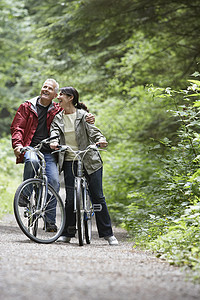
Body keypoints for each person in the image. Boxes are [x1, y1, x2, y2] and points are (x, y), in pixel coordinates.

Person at [10, 79, 95, 232]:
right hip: (31, 147)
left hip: (50, 152)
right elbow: (17, 127)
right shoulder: (27, 106)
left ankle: (50, 221)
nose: (46, 90)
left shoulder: (57, 109)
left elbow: (74, 109)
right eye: (44, 87)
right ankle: (25, 194)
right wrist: (18, 144)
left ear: (55, 95)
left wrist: (88, 116)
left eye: (50, 88)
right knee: (32, 161)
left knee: (54, 182)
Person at [49, 86, 118, 245]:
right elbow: (54, 133)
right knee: (71, 200)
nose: (58, 97)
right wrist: (54, 141)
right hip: (69, 161)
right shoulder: (57, 118)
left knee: (97, 197)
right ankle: (68, 233)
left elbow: (94, 132)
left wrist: (100, 140)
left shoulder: (83, 116)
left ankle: (108, 234)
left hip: (90, 160)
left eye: (61, 95)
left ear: (70, 97)